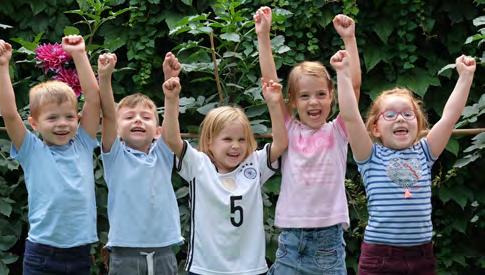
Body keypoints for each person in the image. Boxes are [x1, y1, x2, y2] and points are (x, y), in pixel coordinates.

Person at [331, 49, 476, 274]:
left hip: (422, 255)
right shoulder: (370, 156)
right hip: (379, 257)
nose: (400, 118)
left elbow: (449, 118)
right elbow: (350, 116)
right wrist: (342, 73)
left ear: (418, 125)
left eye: (408, 114)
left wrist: (465, 77)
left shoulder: (424, 152)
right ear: (376, 128)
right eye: (390, 115)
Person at [254, 6, 361, 274]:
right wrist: (263, 35)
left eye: (320, 95)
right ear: (292, 102)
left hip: (328, 242)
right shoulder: (288, 129)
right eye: (304, 96)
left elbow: (354, 86)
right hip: (290, 239)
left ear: (332, 96)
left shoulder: (338, 130)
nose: (313, 102)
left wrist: (349, 39)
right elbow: (270, 84)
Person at [0, 35, 100, 275]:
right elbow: (9, 115)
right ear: (34, 123)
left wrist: (79, 55)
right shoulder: (32, 151)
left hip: (81, 254)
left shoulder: (82, 143)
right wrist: (1, 67)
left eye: (69, 117)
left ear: (78, 119)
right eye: (52, 118)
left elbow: (93, 100)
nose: (62, 124)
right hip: (42, 255)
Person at [161, 71, 287, 274]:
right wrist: (171, 99)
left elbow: (281, 143)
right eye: (227, 139)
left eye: (241, 140)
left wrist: (273, 104)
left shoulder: (254, 163)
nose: (236, 146)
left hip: (251, 268)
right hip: (207, 268)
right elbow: (172, 139)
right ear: (210, 141)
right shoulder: (198, 165)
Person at [97, 51, 183, 275]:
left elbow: (173, 129)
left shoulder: (162, 155)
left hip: (164, 251)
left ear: (157, 131)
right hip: (125, 255)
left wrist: (171, 88)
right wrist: (104, 78)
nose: (137, 120)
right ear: (117, 129)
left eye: (145, 117)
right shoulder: (114, 156)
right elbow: (107, 114)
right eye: (128, 117)